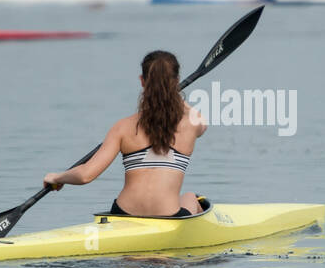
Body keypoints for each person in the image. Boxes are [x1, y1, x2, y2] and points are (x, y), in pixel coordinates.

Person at [43, 50, 206, 217]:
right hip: (168, 216)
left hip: (123, 213)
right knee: (191, 197)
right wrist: (173, 95)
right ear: (176, 81)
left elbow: (85, 175)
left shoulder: (122, 127)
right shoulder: (192, 123)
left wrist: (57, 177)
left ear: (142, 81)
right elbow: (202, 121)